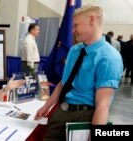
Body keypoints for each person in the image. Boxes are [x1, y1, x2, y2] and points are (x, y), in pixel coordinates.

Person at [35, 4, 123, 141]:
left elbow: (103, 105)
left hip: (84, 117)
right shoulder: (74, 50)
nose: (72, 31)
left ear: (92, 20)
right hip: (60, 112)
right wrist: (46, 106)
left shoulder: (109, 57)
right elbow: (63, 83)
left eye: (76, 25)